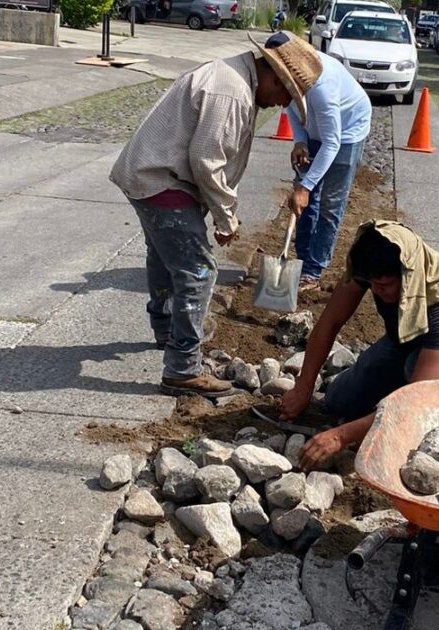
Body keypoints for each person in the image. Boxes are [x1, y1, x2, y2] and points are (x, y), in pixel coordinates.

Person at [110, 39, 307, 398]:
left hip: (150, 174)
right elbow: (206, 162)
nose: (284, 104)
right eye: (286, 94)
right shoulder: (231, 92)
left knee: (164, 256)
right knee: (198, 271)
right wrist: (226, 217)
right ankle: (182, 369)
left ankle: (167, 329)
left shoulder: (234, 76)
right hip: (161, 180)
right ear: (275, 76)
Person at [279, 221, 439, 468]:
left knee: (415, 381)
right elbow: (329, 323)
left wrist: (341, 437)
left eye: (383, 286)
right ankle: (400, 387)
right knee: (338, 400)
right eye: (371, 283)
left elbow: (416, 397)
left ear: (408, 278)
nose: (375, 291)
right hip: (408, 339)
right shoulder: (371, 263)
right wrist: (304, 387)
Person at [253, 32, 372, 291]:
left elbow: (332, 142)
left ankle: (313, 270)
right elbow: (290, 105)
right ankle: (302, 259)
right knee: (305, 203)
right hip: (315, 130)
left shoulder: (322, 87)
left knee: (329, 204)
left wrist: (305, 187)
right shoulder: (289, 76)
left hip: (346, 132)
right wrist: (300, 141)